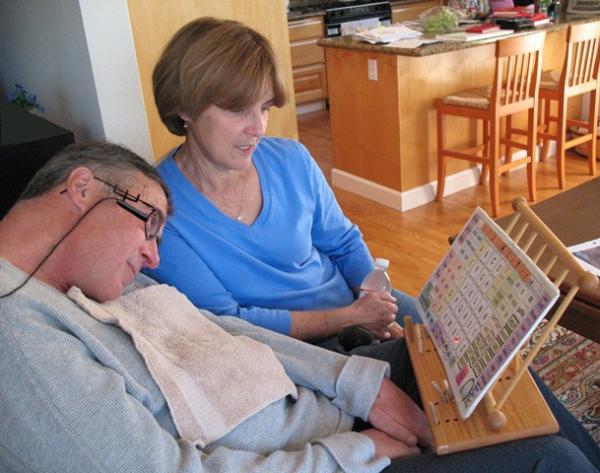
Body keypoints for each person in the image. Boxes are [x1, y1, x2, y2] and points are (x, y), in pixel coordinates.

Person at [1, 142, 599, 472]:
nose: (156, 255)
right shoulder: (18, 336)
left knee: (481, 366)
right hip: (321, 454)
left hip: (322, 403)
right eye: (149, 225)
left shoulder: (80, 282)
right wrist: (352, 450)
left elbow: (220, 327)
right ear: (80, 190)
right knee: (550, 460)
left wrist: (358, 383)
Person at [144, 17, 416, 346]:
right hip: (296, 347)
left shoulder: (291, 159)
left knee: (456, 334)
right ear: (185, 108)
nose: (258, 128)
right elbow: (228, 321)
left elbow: (343, 243)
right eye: (238, 110)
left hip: (355, 305)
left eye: (265, 107)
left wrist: (373, 300)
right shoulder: (160, 211)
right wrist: (351, 318)